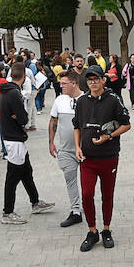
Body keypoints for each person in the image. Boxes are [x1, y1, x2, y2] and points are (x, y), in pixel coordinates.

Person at [73, 66, 131, 252]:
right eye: (89, 79)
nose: (93, 82)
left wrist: (109, 136)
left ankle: (106, 229)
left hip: (109, 158)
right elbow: (76, 127)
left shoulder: (113, 99)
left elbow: (127, 125)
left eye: (96, 79)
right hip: (87, 159)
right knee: (87, 194)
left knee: (107, 195)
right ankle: (92, 231)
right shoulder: (81, 101)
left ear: (102, 80)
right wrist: (77, 147)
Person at [0, 64, 55, 224]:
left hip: (15, 137)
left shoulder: (6, 90)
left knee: (26, 172)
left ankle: (35, 202)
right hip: (14, 139)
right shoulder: (14, 93)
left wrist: (18, 116)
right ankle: (7, 212)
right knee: (12, 177)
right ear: (24, 77)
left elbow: (20, 117)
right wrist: (19, 116)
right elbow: (24, 119)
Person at [48, 70, 85, 229]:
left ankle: (88, 209)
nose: (60, 85)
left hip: (86, 150)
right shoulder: (59, 100)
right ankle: (75, 211)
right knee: (70, 180)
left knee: (87, 184)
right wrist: (51, 142)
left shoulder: (86, 99)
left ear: (74, 83)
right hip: (66, 150)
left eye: (64, 83)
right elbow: (53, 121)